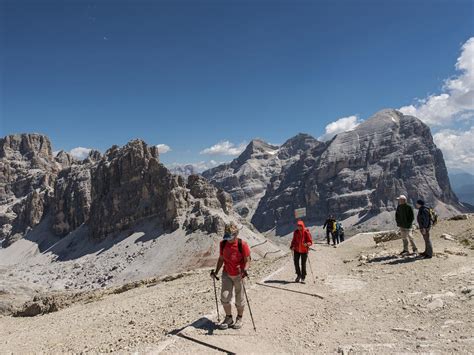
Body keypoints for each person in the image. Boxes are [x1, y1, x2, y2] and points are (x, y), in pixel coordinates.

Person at [210, 222, 251, 330]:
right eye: (227, 237)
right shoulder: (223, 244)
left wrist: (245, 270)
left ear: (236, 234)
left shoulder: (242, 244)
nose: (228, 239)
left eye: (230, 237)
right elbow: (221, 259)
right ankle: (229, 318)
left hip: (239, 274)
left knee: (239, 298)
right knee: (224, 297)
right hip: (227, 273)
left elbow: (247, 260)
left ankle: (239, 318)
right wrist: (216, 272)